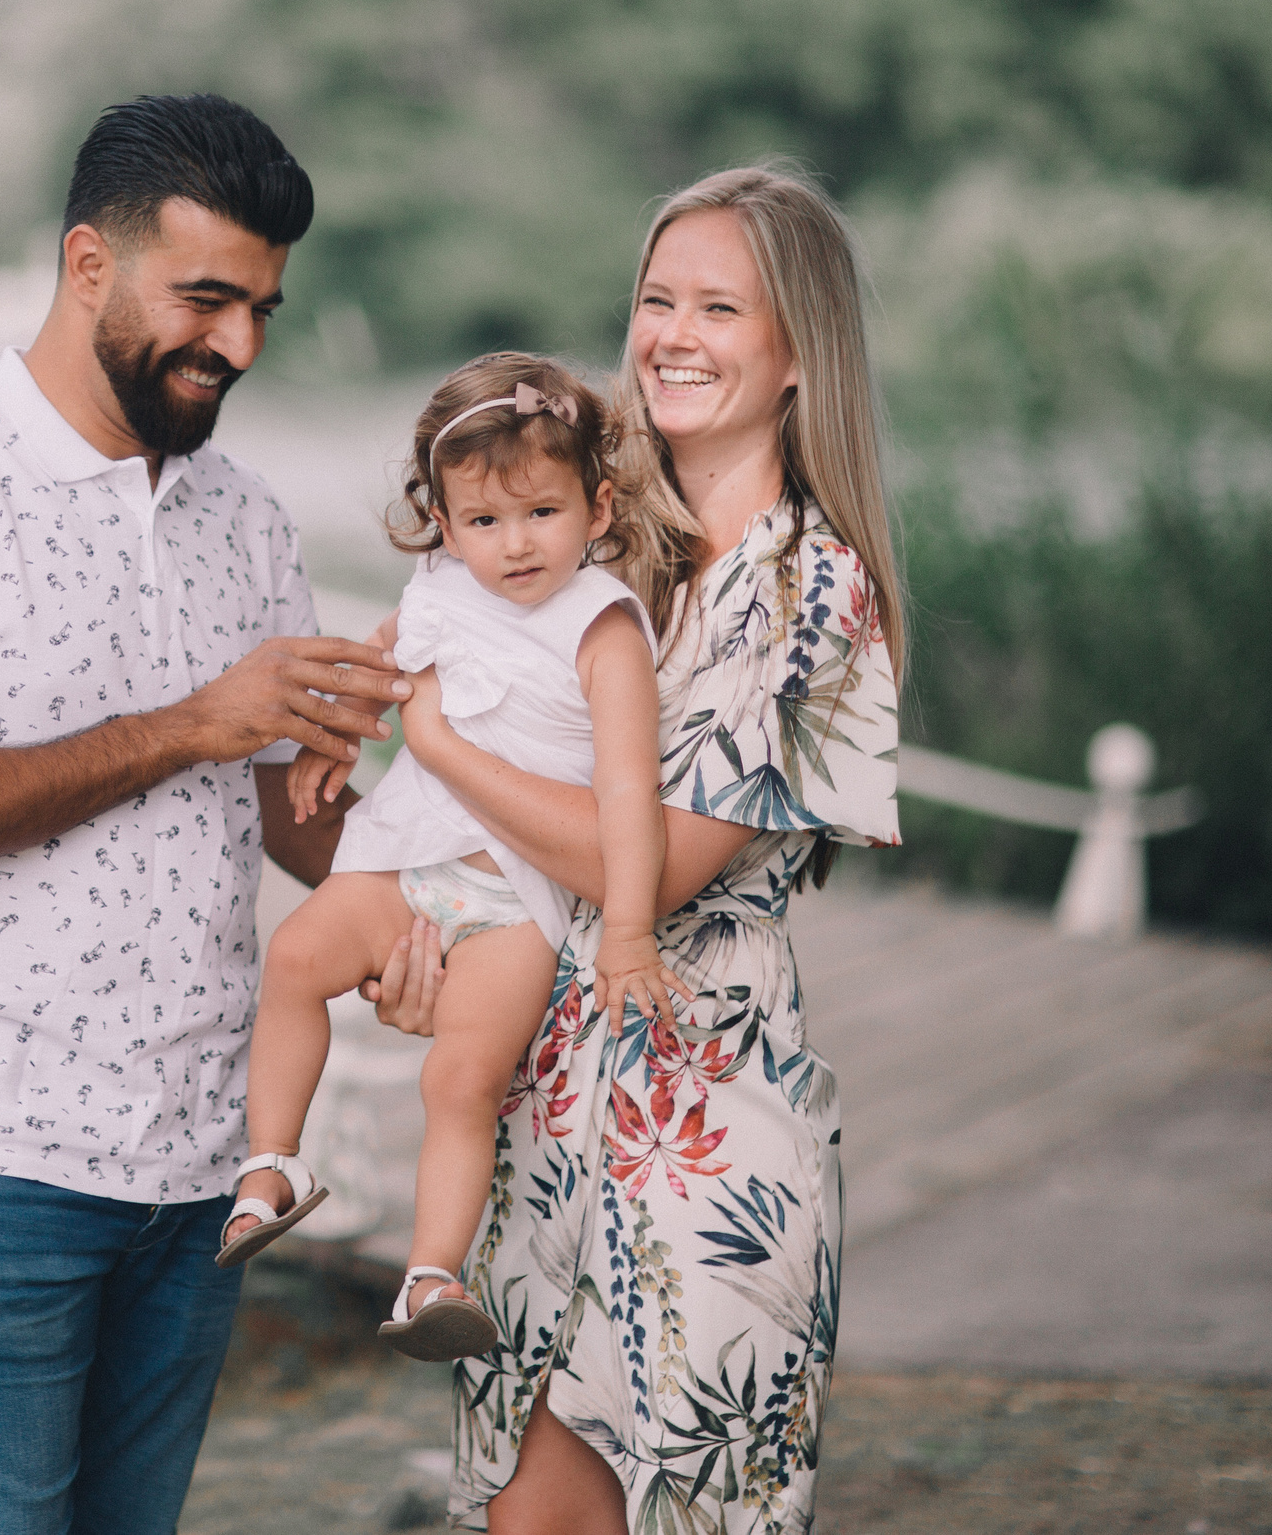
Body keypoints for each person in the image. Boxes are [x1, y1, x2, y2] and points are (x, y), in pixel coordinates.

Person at [0, 93, 412, 1534]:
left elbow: (300, 816)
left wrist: (463, 877)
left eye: (262, 307)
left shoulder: (245, 516)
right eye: (204, 298)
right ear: (88, 266)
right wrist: (199, 717)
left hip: (202, 1160)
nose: (239, 345)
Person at [365, 166, 904, 1534]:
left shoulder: (811, 587)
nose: (673, 331)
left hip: (705, 1141)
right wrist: (422, 939)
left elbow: (649, 870)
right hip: (536, 1125)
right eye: (658, 297)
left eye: (720, 305)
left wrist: (444, 749)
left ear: (798, 353)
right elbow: (463, 807)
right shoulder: (579, 544)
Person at [215, 353, 694, 1367]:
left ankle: (432, 1272)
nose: (514, 545)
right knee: (295, 960)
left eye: (540, 513)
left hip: (513, 904)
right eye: (483, 522)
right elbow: (375, 673)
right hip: (402, 862)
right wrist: (331, 740)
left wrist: (628, 931)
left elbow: (625, 794)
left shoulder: (601, 628)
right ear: (440, 522)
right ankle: (272, 1166)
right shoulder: (435, 592)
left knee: (463, 1079)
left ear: (596, 507)